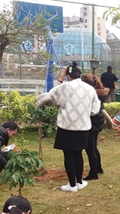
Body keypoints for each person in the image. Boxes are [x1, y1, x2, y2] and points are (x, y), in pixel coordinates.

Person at [36, 61, 101, 192]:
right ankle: (80, 182)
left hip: (66, 126)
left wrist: (37, 105)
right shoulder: (90, 89)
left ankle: (71, 185)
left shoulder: (64, 86)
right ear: (80, 74)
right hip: (83, 127)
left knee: (69, 155)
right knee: (78, 154)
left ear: (68, 75)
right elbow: (95, 110)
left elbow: (50, 96)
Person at [81, 73, 108, 180]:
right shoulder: (98, 91)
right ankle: (98, 168)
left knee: (90, 148)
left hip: (93, 121)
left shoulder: (90, 93)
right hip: (98, 120)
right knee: (93, 146)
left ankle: (93, 173)